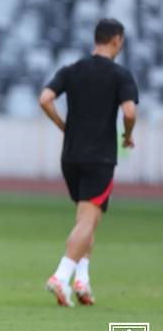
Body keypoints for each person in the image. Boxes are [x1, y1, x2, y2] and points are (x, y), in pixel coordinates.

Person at [39, 18, 138, 307]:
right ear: (117, 40)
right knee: (87, 219)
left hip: (70, 156)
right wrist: (127, 135)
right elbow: (130, 113)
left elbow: (45, 99)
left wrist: (63, 125)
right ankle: (62, 275)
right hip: (100, 156)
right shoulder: (120, 75)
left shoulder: (72, 71)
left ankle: (82, 280)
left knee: (87, 219)